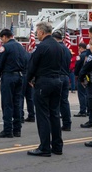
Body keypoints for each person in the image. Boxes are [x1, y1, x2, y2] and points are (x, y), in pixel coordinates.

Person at [27, 22, 66, 156]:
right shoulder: (59, 46)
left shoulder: (42, 47)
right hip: (57, 80)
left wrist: (28, 79)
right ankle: (57, 146)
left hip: (44, 82)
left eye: (37, 32)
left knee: (43, 115)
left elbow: (32, 66)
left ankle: (44, 147)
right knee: (55, 114)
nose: (37, 34)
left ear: (42, 32)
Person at [0, 29, 26, 139]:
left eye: (1, 38)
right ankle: (17, 129)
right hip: (20, 76)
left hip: (8, 76)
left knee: (7, 103)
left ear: (4, 37)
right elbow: (25, 61)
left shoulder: (5, 47)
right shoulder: (20, 47)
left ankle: (8, 130)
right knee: (17, 103)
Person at [55, 30, 73, 131]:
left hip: (58, 76)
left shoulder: (57, 48)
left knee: (55, 102)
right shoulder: (66, 49)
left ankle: (56, 123)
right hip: (66, 76)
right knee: (64, 101)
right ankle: (67, 123)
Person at [73, 41, 89, 120]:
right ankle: (88, 110)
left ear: (81, 48)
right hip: (87, 76)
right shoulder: (89, 55)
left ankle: (83, 111)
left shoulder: (80, 56)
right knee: (87, 93)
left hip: (81, 76)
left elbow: (77, 66)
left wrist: (76, 74)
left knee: (81, 94)